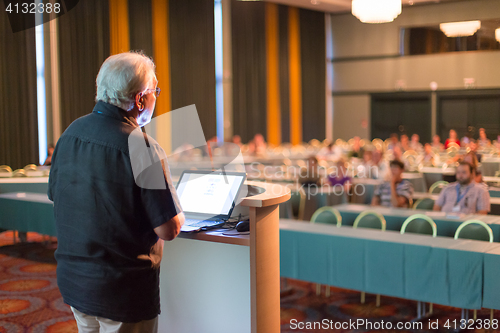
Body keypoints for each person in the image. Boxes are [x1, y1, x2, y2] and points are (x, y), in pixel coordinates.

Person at [48, 52, 185, 333]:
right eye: (155, 91)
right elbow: (168, 229)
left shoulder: (70, 133)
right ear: (140, 99)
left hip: (75, 281)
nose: (155, 98)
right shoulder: (142, 146)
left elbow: (58, 196)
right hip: (121, 292)